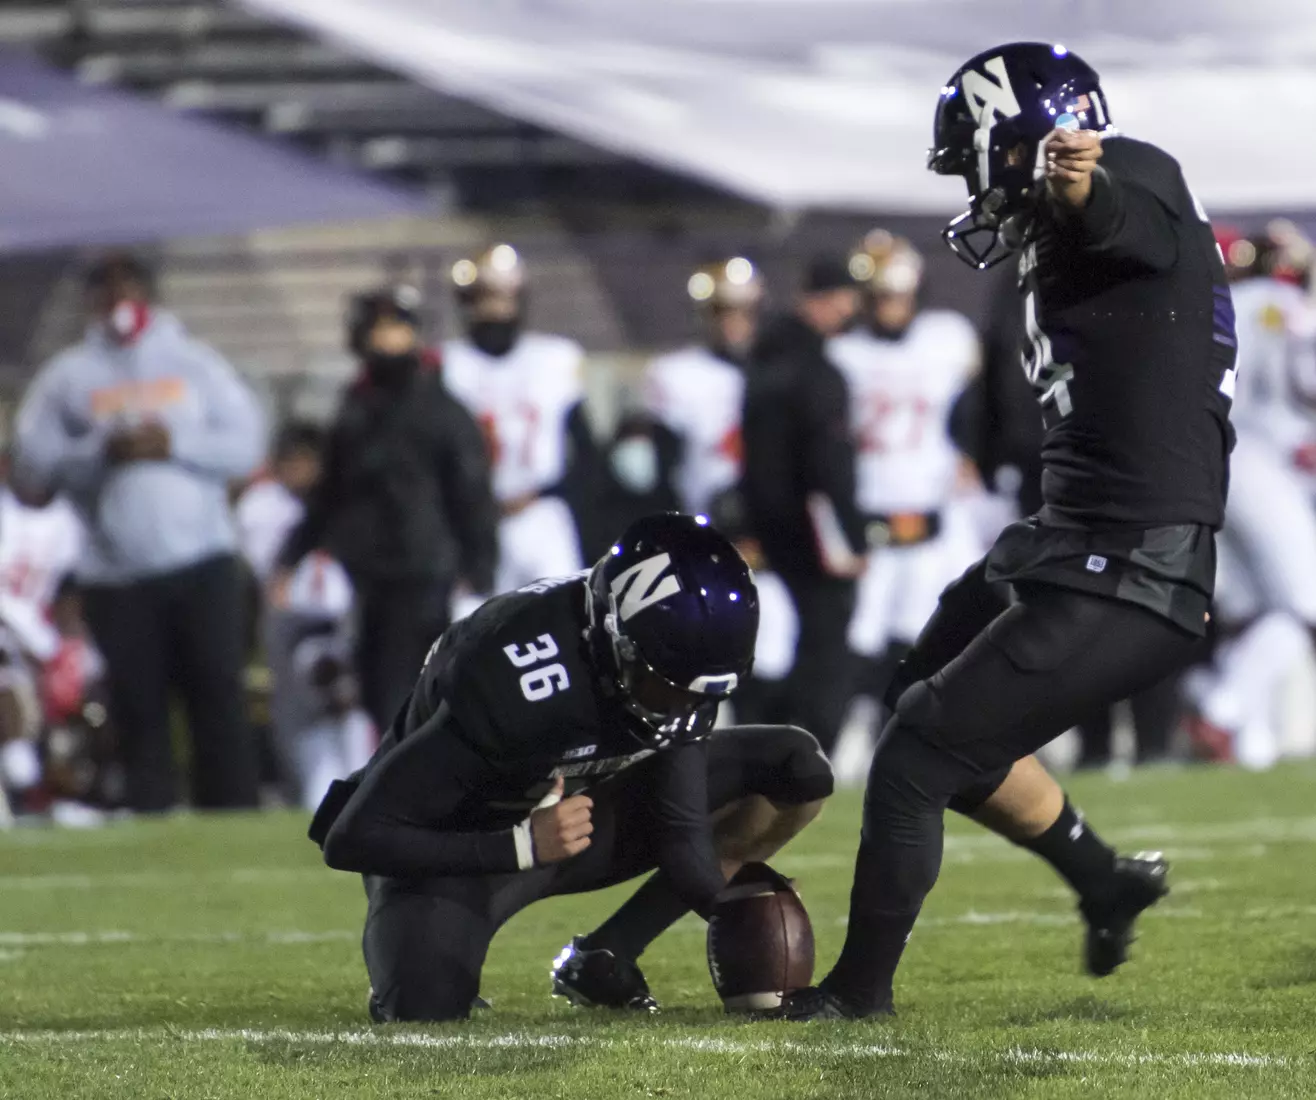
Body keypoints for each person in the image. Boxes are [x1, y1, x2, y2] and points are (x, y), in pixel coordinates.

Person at [782, 42, 1233, 1019]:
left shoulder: (1134, 173)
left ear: (1022, 142)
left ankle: (858, 994)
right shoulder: (1056, 233)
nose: (970, 189)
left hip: (1131, 559)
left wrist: (1081, 188)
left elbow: (1116, 208)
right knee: (922, 698)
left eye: (973, 162)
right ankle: (1104, 878)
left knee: (914, 755)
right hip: (1065, 536)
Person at [308, 513, 834, 1021]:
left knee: (797, 767)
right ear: (612, 636)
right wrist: (519, 846)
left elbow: (681, 830)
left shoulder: (677, 666)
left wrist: (737, 910)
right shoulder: (514, 676)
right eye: (664, 687)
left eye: (699, 693)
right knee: (426, 1002)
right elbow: (354, 836)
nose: (681, 708)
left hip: (573, 819)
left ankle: (607, 956)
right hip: (459, 840)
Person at [14, 253, 266, 813]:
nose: (116, 299)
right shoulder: (68, 377)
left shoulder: (194, 363)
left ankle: (233, 813)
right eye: (103, 288)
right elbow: (33, 466)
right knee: (137, 707)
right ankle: (152, 817)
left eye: (126, 285)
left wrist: (174, 444)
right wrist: (97, 451)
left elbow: (247, 445)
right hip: (116, 574)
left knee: (218, 696)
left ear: (148, 292)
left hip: (203, 562)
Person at [274, 286, 497, 735]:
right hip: (368, 575)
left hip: (422, 574)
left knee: (410, 695)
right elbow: (331, 492)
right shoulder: (356, 408)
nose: (387, 340)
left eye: (395, 328)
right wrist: (291, 557)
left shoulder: (440, 410)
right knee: (376, 694)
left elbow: (471, 495)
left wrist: (480, 568)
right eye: (378, 329)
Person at [826, 231, 984, 776]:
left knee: (922, 631)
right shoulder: (842, 354)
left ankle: (900, 729)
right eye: (879, 297)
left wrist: (971, 455)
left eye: (896, 295)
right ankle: (852, 727)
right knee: (861, 635)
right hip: (869, 516)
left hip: (932, 514)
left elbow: (978, 408)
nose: (888, 307)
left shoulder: (946, 339)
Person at [641, 257, 797, 723]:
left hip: (771, 536)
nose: (733, 322)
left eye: (742, 310)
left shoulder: (780, 374)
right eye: (722, 311)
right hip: (704, 537)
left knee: (776, 654)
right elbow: (661, 476)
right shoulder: (677, 376)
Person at [741, 255, 867, 756]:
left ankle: (774, 741)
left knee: (783, 641)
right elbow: (828, 461)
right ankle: (809, 747)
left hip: (764, 519)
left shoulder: (764, 359)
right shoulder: (816, 370)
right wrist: (852, 534)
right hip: (809, 522)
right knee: (826, 639)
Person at [441, 245, 592, 595]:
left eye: (504, 297)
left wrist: (558, 494)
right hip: (473, 518)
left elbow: (584, 451)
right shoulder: (445, 366)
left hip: (540, 512)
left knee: (563, 609)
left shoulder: (555, 359)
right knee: (470, 616)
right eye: (486, 297)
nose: (496, 309)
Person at [237, 423, 373, 809]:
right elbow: (273, 576)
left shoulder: (344, 500)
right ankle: (321, 796)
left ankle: (355, 790)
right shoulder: (263, 505)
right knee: (302, 722)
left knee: (348, 706)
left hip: (340, 622)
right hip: (291, 625)